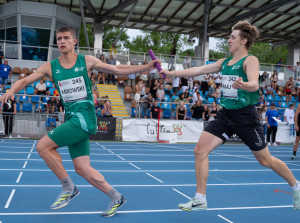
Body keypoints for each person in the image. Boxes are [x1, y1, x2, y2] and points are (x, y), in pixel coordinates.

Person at [0, 26, 157, 217]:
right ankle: (116, 197)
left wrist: (146, 68)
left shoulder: (86, 61)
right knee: (82, 168)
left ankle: (68, 188)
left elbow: (116, 69)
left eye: (66, 38)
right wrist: (10, 91)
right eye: (59, 39)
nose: (62, 41)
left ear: (74, 42)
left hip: (85, 118)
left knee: (42, 147)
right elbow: (24, 81)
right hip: (71, 117)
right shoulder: (51, 66)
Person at [159, 20, 300, 211]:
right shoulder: (224, 62)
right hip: (226, 115)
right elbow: (198, 70)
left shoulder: (250, 60)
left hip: (246, 116)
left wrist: (242, 84)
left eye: (232, 37)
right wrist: (172, 73)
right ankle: (200, 198)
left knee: (265, 160)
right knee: (200, 151)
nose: (228, 40)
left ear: (243, 41)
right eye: (229, 36)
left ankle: (296, 186)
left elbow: (255, 84)